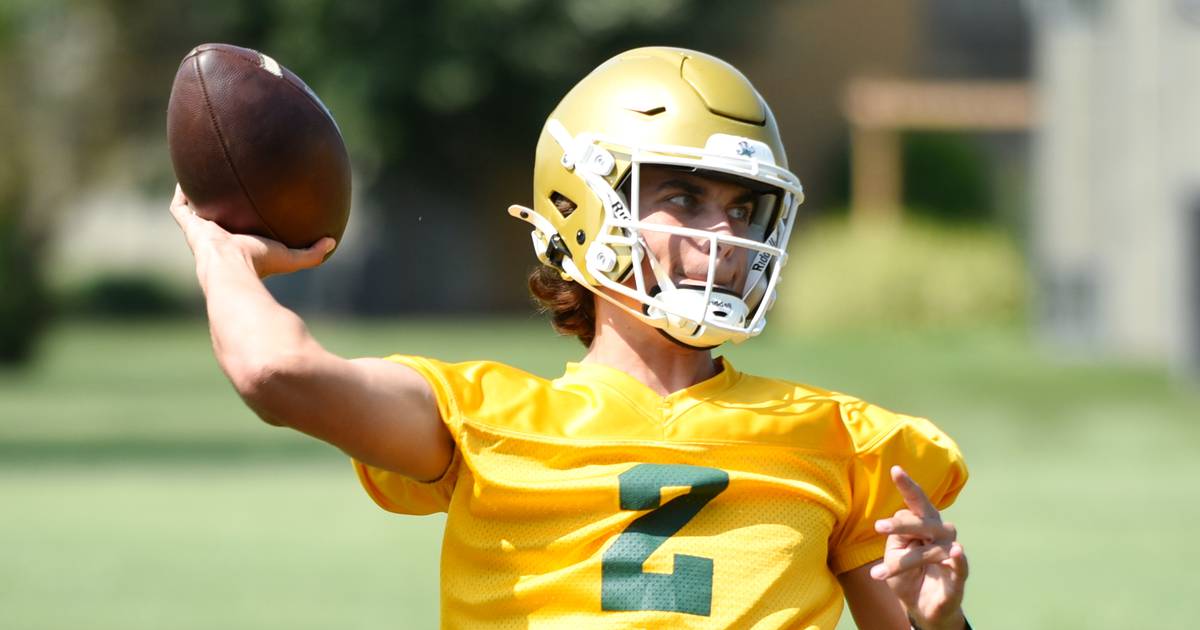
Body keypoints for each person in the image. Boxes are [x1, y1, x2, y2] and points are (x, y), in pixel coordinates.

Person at [170, 47, 970, 629]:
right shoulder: (482, 420)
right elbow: (274, 369)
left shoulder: (844, 442)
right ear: (582, 209)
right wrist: (219, 251)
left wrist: (940, 626)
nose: (723, 230)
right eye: (684, 197)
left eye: (742, 206)